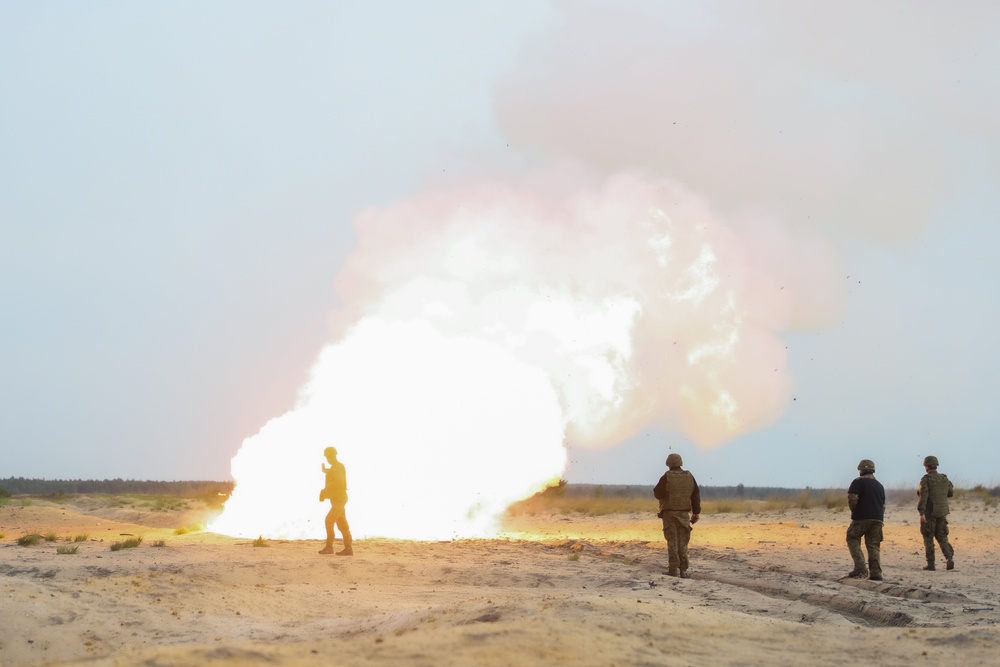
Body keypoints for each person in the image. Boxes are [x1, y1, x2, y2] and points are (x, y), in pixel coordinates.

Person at [653, 453, 701, 578]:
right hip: (684, 514)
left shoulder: (666, 476)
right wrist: (696, 512)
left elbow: (658, 493)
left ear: (668, 463)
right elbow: (695, 494)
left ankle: (673, 569)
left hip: (669, 513)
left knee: (672, 541)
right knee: (683, 542)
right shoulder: (689, 476)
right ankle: (684, 570)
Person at [846, 459, 886, 581]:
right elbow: (883, 504)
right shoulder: (879, 485)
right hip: (878, 518)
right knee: (873, 545)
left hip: (861, 517)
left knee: (852, 537)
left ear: (861, 470)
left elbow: (852, 499)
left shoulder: (857, 482)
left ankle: (860, 567)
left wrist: (855, 512)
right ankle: (876, 573)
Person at [917, 455, 954, 571]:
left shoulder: (926, 479)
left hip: (929, 513)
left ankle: (931, 563)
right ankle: (949, 558)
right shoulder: (944, 478)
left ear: (927, 466)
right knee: (942, 536)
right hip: (942, 512)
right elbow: (950, 493)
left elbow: (924, 496)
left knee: (928, 537)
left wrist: (921, 512)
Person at [318, 446, 353, 556]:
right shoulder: (335, 467)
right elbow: (334, 475)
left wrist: (325, 489)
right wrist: (325, 471)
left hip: (339, 500)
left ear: (330, 456)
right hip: (338, 499)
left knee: (329, 520)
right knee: (342, 524)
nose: (327, 459)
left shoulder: (336, 467)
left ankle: (329, 547)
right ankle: (348, 549)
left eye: (327, 457)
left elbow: (339, 482)